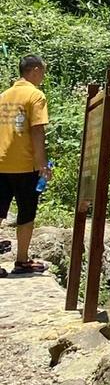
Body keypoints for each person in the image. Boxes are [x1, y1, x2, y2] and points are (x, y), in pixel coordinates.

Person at [0, 55, 51, 275]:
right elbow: (37, 130)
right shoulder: (35, 95)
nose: (43, 77)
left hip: (1, 163)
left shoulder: (3, 96)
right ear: (35, 70)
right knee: (26, 213)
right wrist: (42, 164)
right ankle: (21, 260)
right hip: (25, 165)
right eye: (43, 72)